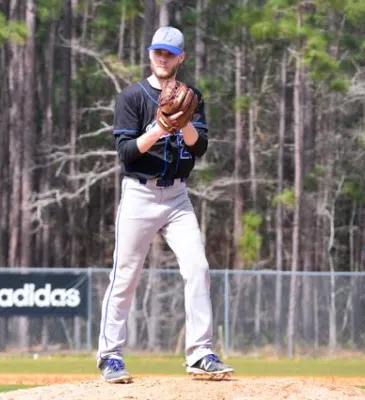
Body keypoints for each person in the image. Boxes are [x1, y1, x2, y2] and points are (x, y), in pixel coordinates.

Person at [96, 26, 233, 383]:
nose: (162, 58)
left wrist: (183, 121)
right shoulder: (132, 97)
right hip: (139, 193)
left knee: (198, 268)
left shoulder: (191, 96)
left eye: (169, 54)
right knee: (124, 276)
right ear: (149, 54)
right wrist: (159, 126)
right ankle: (110, 356)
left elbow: (198, 147)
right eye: (158, 52)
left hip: (177, 196)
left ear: (180, 58)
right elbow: (126, 154)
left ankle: (200, 352)